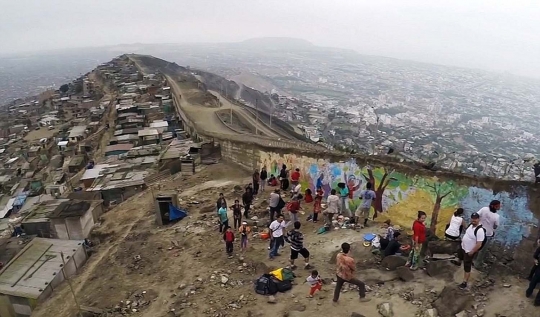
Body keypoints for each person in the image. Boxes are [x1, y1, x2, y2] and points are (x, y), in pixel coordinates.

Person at [453, 212, 486, 290]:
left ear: (479, 219)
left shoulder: (480, 230)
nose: (473, 220)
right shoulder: (470, 226)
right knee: (460, 256)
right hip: (463, 248)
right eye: (472, 218)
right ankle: (459, 261)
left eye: (475, 218)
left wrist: (472, 251)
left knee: (467, 266)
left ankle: (464, 282)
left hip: (469, 251)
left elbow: (479, 244)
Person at [474, 200, 501, 269]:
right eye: (498, 206)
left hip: (478, 231)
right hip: (487, 234)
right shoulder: (496, 216)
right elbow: (495, 226)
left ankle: (470, 258)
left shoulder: (484, 209)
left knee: (474, 245)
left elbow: (476, 215)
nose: (499, 207)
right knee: (482, 250)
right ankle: (477, 264)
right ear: (494, 206)